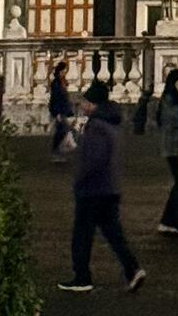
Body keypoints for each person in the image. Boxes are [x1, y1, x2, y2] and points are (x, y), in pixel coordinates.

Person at [56, 80, 146, 295]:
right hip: (110, 186)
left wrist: (78, 170)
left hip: (93, 189)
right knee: (113, 233)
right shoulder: (111, 122)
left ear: (92, 103)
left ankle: (82, 277)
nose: (83, 105)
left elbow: (93, 159)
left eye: (86, 101)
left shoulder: (95, 125)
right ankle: (132, 269)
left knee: (82, 236)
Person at [156, 64, 178, 235]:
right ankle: (175, 221)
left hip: (175, 147)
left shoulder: (172, 98)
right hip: (175, 147)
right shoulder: (171, 99)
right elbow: (177, 119)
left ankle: (173, 220)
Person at [48, 59, 76, 158]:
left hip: (63, 110)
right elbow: (55, 98)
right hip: (59, 111)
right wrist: (57, 113)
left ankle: (58, 151)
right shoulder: (57, 83)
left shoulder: (62, 82)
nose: (65, 72)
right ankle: (56, 151)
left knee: (62, 131)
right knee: (60, 131)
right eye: (64, 70)